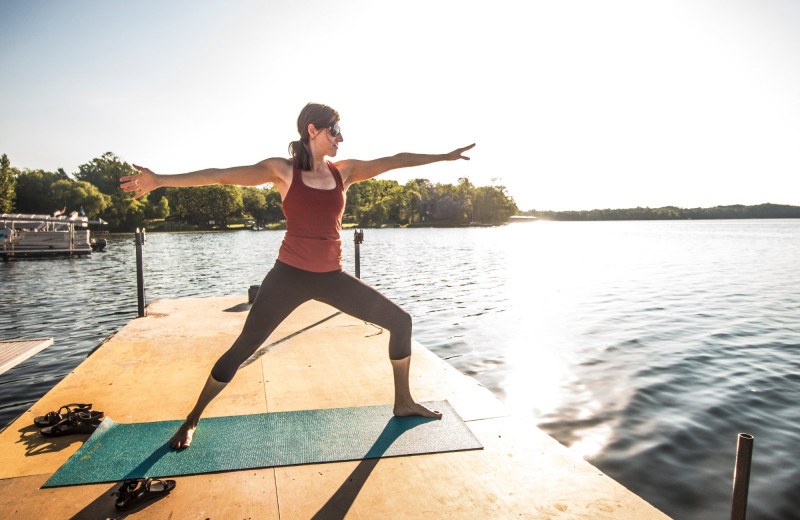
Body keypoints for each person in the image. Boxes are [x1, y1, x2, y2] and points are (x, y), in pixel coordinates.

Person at [120, 102, 475, 449]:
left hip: (331, 277)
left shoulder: (344, 171)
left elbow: (396, 161)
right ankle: (192, 419)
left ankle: (403, 402)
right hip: (289, 276)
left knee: (401, 321)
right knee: (242, 348)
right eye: (335, 130)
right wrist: (159, 180)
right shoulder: (282, 170)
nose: (340, 138)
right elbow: (221, 175)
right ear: (313, 130)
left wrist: (444, 157)